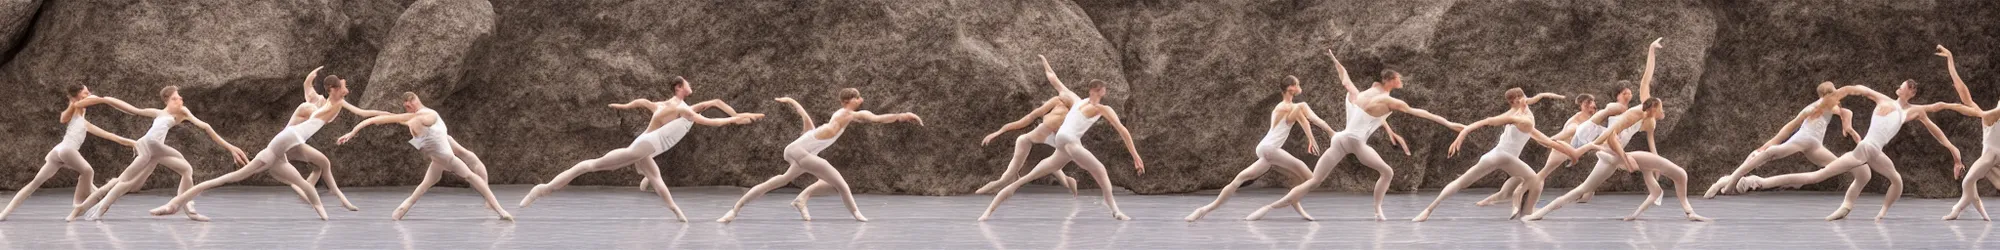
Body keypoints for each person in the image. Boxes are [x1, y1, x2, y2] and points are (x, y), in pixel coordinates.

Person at [1244, 50, 1460, 221]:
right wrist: (1449, 123)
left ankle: (1268, 208)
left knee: (1314, 181)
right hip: (1356, 143)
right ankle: (1377, 210)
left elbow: (1345, 81)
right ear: (1390, 80)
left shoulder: (1362, 95)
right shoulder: (1390, 101)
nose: (1401, 81)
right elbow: (1420, 113)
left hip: (1339, 139)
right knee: (1387, 172)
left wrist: (1335, 61)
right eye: (1399, 79)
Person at [517, 77, 764, 222]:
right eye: (687, 84)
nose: (692, 86)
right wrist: (735, 119)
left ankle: (677, 213)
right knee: (593, 165)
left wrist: (741, 115)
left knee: (655, 177)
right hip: (642, 146)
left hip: (648, 149)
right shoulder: (679, 109)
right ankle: (542, 189)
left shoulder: (685, 109)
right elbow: (710, 120)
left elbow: (716, 104)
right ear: (679, 87)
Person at [1478, 38, 1666, 207]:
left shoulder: (1648, 120)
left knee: (1619, 165)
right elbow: (1645, 80)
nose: (1629, 94)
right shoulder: (1628, 109)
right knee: (1543, 172)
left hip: (1600, 143)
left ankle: (1587, 189)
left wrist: (1657, 164)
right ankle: (1517, 192)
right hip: (1585, 140)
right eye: (1625, 93)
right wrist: (1651, 50)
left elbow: (1652, 144)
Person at [1738, 82, 1961, 221]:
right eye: (1904, 86)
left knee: (1893, 180)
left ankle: (1858, 209)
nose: (1905, 88)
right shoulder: (1883, 99)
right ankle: (1759, 181)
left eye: (1908, 87)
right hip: (1864, 149)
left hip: (1876, 153)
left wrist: (1954, 150)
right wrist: (1841, 93)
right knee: (1817, 176)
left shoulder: (1915, 111)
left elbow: (1937, 120)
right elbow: (1861, 89)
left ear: (1912, 93)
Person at [147, 74, 352, 221]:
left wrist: (322, 213)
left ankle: (324, 212)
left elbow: (323, 98)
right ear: (333, 91)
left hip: (280, 157)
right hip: (272, 153)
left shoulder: (327, 108)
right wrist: (313, 82)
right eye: (342, 87)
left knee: (303, 182)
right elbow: (310, 89)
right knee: (225, 179)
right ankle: (173, 204)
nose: (346, 90)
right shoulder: (312, 108)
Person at [716, 88, 923, 222]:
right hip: (799, 152)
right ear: (849, 100)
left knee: (779, 181)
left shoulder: (839, 118)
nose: (862, 99)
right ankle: (857, 215)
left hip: (798, 152)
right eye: (859, 97)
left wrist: (791, 100)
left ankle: (736, 210)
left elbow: (803, 114)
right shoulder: (846, 114)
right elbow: (877, 118)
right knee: (841, 184)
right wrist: (903, 116)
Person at [69, 85, 252, 221]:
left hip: (153, 151)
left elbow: (206, 127)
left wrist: (230, 147)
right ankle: (94, 208)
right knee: (127, 180)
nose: (179, 100)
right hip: (148, 144)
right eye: (175, 98)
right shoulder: (158, 113)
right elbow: (133, 109)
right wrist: (104, 99)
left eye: (179, 98)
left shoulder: (183, 112)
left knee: (179, 172)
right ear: (167, 101)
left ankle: (186, 206)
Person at [978, 78, 1144, 221]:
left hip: (1061, 143)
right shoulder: (1103, 109)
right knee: (1099, 169)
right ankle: (1115, 210)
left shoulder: (1076, 101)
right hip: (1070, 141)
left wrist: (1045, 64)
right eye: (1104, 89)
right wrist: (1135, 156)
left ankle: (987, 212)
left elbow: (1055, 81)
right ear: (1099, 91)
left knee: (1024, 179)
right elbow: (1122, 130)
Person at [1520, 98, 1710, 222]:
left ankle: (1688, 210)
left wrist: (1633, 215)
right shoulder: (1635, 114)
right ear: (1653, 108)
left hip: (1612, 156)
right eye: (1661, 108)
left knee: (1668, 180)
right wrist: (1624, 157)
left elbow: (1646, 81)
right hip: (1611, 155)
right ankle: (1538, 214)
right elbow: (1611, 135)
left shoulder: (1647, 118)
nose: (1663, 112)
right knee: (1581, 189)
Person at [334, 91, 514, 221]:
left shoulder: (426, 116)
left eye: (407, 106)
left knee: (433, 180)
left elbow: (383, 118)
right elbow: (375, 118)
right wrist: (353, 131)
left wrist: (353, 131)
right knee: (468, 176)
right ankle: (500, 210)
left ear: (412, 101)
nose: (407, 109)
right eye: (405, 108)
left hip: (440, 151)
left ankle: (401, 210)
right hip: (442, 156)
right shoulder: (414, 118)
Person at [1411, 88, 1581, 222]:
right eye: (1521, 99)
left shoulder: (1525, 115)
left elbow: (1544, 138)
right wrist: (1465, 132)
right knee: (1534, 179)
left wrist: (1571, 153)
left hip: (1493, 155)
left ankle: (1428, 210)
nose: (1525, 100)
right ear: (1516, 101)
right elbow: (1489, 121)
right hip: (1505, 157)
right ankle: (1526, 211)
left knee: (1461, 182)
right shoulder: (1520, 118)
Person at [1184, 76, 1336, 221]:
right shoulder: (1286, 107)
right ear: (1290, 88)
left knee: (1240, 179)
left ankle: (1203, 210)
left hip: (1265, 151)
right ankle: (1271, 207)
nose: (1299, 87)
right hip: (1270, 149)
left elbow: (1304, 121)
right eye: (1296, 84)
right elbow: (1312, 118)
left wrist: (1311, 139)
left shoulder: (1293, 109)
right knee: (1311, 178)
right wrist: (1331, 132)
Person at [0, 85, 138, 221]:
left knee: (36, 184)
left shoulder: (83, 122)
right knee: (87, 171)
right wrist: (103, 100)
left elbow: (111, 136)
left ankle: (4, 214)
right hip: (66, 150)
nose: (89, 94)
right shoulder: (77, 107)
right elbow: (71, 112)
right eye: (85, 92)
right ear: (76, 96)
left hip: (58, 151)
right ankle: (78, 204)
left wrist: (133, 143)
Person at [1704, 82, 1862, 198]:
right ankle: (1731, 180)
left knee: (1833, 169)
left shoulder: (1831, 106)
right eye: (1832, 95)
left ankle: (1756, 182)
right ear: (1823, 96)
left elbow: (1845, 112)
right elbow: (1788, 128)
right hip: (1803, 139)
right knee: (1773, 152)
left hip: (1815, 146)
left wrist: (1848, 128)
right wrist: (1766, 146)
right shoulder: (1812, 108)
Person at [974, 55, 1089, 195]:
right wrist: (999, 131)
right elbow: (1032, 115)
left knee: (1053, 164)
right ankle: (1005, 179)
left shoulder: (1078, 108)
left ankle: (1067, 181)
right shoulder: (1059, 98)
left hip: (1064, 139)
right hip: (1046, 132)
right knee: (1022, 140)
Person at [1932, 45, 2000, 221]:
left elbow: (1965, 101)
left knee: (1968, 181)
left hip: (1992, 156)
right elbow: (1964, 95)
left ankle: (1959, 210)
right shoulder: (1989, 116)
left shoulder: (1989, 116)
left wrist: (1947, 105)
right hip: (1991, 157)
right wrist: (1950, 58)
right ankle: (1961, 210)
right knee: (1971, 183)